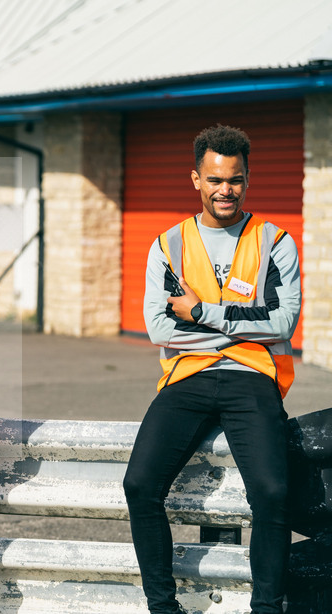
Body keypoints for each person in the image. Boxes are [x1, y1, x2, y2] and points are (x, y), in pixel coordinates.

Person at [123, 125, 301, 614]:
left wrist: (204, 312)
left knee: (272, 491)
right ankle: (163, 606)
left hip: (251, 377)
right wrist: (242, 327)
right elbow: (159, 328)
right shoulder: (168, 244)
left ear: (247, 180)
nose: (227, 190)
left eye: (236, 180)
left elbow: (284, 322)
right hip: (188, 377)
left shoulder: (275, 241)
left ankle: (267, 608)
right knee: (138, 484)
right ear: (196, 179)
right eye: (217, 179)